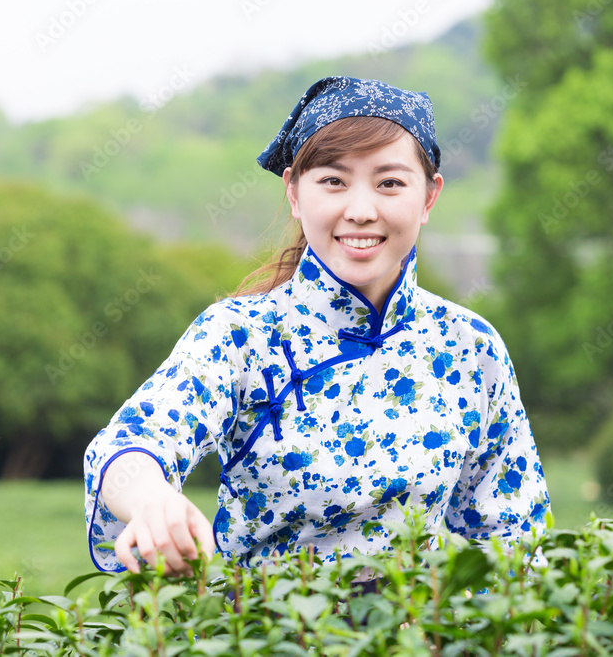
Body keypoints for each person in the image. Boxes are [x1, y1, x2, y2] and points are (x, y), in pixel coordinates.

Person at [83, 76, 550, 576]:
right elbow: (131, 444)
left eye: (390, 182)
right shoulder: (240, 334)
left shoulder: (469, 346)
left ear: (429, 198)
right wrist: (152, 499)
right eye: (333, 181)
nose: (361, 211)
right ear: (294, 193)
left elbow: (513, 539)